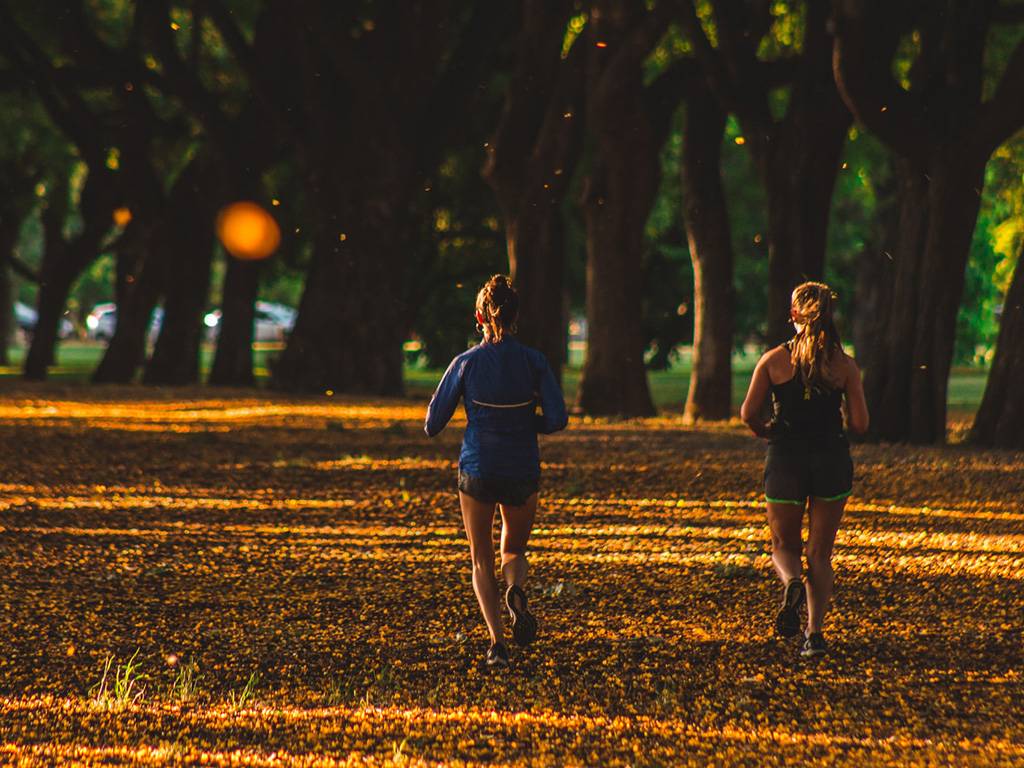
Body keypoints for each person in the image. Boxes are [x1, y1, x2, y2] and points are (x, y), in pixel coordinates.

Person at [425, 275, 568, 668]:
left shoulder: (465, 363)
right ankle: (516, 591)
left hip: (477, 467)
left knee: (480, 558)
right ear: (516, 316)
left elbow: (433, 423)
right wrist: (524, 421)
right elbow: (557, 419)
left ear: (479, 318)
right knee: (514, 549)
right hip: (522, 466)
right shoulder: (535, 362)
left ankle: (497, 644)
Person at [740, 282, 869, 658]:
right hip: (830, 459)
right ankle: (814, 635)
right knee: (820, 553)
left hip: (786, 458)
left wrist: (765, 431)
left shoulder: (774, 361)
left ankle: (791, 581)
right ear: (829, 314)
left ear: (795, 314)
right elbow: (861, 423)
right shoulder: (844, 365)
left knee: (783, 545)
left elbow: (748, 413)